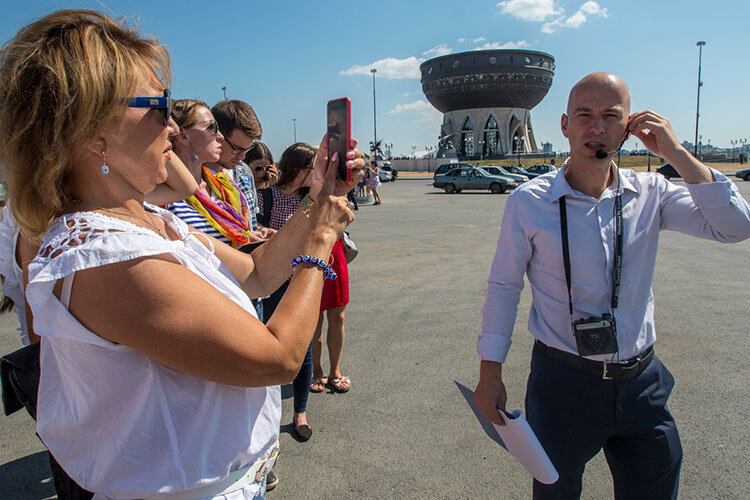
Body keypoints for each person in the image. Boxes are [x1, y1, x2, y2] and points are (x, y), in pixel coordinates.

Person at [0, 10, 363, 499]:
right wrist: (321, 239)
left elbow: (255, 273)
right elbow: (276, 358)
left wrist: (318, 197)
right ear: (91, 135)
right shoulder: (102, 256)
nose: (172, 127)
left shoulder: (145, 220)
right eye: (157, 106)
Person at [473, 72, 750, 499]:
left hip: (641, 384)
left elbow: (734, 227)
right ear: (565, 126)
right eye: (584, 115)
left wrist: (676, 153)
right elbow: (504, 287)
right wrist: (490, 371)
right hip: (563, 383)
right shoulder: (528, 202)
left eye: (610, 116)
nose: (596, 127)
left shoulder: (652, 193)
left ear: (629, 127)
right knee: (555, 492)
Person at [257, 142, 319, 442]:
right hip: (269, 282)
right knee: (265, 341)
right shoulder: (265, 197)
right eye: (312, 167)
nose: (316, 173)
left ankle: (301, 412)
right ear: (297, 168)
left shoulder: (311, 200)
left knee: (302, 345)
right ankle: (264, 416)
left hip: (299, 281)